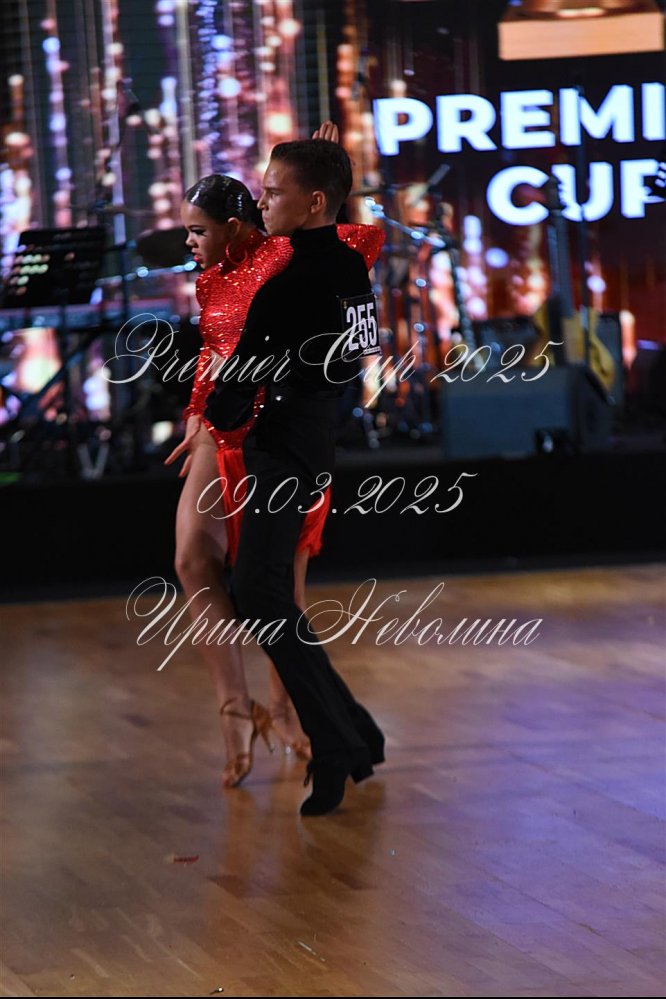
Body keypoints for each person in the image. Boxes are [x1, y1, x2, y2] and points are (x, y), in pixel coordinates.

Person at [164, 126, 384, 792]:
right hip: (226, 430)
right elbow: (216, 354)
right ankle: (239, 711)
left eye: (199, 230)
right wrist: (199, 414)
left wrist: (326, 174)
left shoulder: (285, 256)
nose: (189, 242)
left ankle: (299, 717)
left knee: (274, 589)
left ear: (234, 226)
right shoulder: (212, 280)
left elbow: (351, 243)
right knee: (196, 562)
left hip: (278, 434)